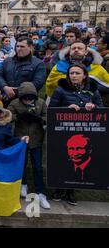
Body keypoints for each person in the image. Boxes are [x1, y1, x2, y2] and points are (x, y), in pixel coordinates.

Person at [49, 63, 103, 205]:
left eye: (77, 73)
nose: (74, 76)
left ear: (84, 75)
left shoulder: (93, 89)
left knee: (79, 159)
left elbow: (101, 108)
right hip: (64, 130)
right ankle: (59, 188)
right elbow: (52, 108)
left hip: (84, 131)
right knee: (63, 158)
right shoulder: (60, 89)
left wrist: (94, 107)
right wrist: (66, 108)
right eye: (71, 73)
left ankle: (72, 191)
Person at [8, 82, 50, 209]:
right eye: (25, 98)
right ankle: (22, 185)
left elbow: (48, 117)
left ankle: (40, 193)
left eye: (30, 98)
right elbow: (7, 115)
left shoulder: (41, 103)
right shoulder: (15, 103)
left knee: (37, 166)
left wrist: (39, 119)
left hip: (36, 139)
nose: (28, 101)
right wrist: (18, 116)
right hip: (21, 139)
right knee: (22, 164)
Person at [0, 36, 46, 105]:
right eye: (17, 46)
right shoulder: (8, 61)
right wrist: (5, 87)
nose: (19, 49)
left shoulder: (38, 64)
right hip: (6, 100)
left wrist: (16, 91)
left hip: (27, 101)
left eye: (22, 46)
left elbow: (38, 83)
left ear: (30, 47)